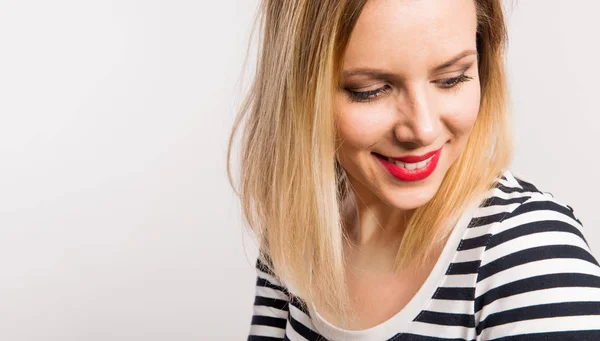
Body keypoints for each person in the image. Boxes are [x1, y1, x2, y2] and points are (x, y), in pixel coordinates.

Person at [227, 0, 600, 340]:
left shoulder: (529, 255)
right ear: (298, 91)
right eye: (370, 89)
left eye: (452, 78)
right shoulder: (294, 238)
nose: (422, 129)